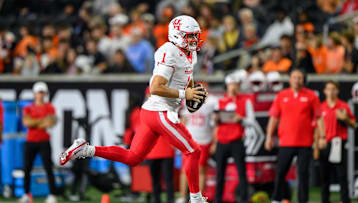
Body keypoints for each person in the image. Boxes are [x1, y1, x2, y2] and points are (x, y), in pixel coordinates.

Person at [60, 15, 208, 203]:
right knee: (193, 151)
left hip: (152, 112)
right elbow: (155, 87)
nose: (194, 40)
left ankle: (86, 149)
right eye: (190, 36)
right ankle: (196, 199)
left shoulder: (188, 53)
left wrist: (191, 96)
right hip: (159, 111)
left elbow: (187, 80)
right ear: (177, 36)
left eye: (195, 36)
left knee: (133, 157)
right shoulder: (169, 52)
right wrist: (184, 95)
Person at [264, 69, 325, 203]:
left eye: (299, 77)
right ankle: (276, 199)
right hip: (286, 142)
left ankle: (303, 200)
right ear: (290, 79)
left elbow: (319, 117)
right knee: (280, 172)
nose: (297, 80)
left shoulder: (311, 96)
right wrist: (269, 136)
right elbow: (274, 117)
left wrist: (322, 137)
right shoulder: (282, 95)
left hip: (305, 143)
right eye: (294, 77)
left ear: (303, 80)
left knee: (303, 175)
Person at [177, 82, 217, 203]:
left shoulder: (212, 102)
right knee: (185, 169)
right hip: (190, 140)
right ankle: (183, 197)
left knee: (201, 170)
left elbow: (215, 123)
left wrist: (214, 141)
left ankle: (198, 198)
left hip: (204, 140)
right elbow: (183, 121)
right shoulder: (187, 101)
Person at [318, 80, 356, 203]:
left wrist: (346, 119)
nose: (331, 92)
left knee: (342, 176)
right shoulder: (320, 107)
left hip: (339, 143)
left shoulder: (343, 106)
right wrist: (318, 142)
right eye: (328, 89)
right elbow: (317, 127)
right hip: (325, 143)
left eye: (333, 89)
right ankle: (325, 200)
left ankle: (345, 200)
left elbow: (354, 125)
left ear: (337, 91)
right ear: (324, 91)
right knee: (324, 177)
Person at [19, 82, 58, 203]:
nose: (40, 95)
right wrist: (42, 121)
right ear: (35, 94)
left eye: (42, 92)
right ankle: (26, 194)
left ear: (45, 94)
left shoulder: (49, 107)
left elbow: (50, 123)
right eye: (38, 92)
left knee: (48, 168)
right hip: (31, 141)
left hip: (44, 141)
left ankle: (52, 194)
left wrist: (35, 121)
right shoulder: (28, 107)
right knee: (27, 168)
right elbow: (26, 122)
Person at [213, 74, 248, 203]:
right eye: (231, 84)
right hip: (222, 140)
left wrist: (241, 119)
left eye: (236, 84)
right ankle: (218, 199)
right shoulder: (220, 101)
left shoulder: (243, 101)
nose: (233, 87)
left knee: (241, 172)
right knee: (220, 174)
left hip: (237, 140)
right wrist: (216, 120)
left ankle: (244, 199)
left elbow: (248, 119)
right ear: (227, 86)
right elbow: (215, 123)